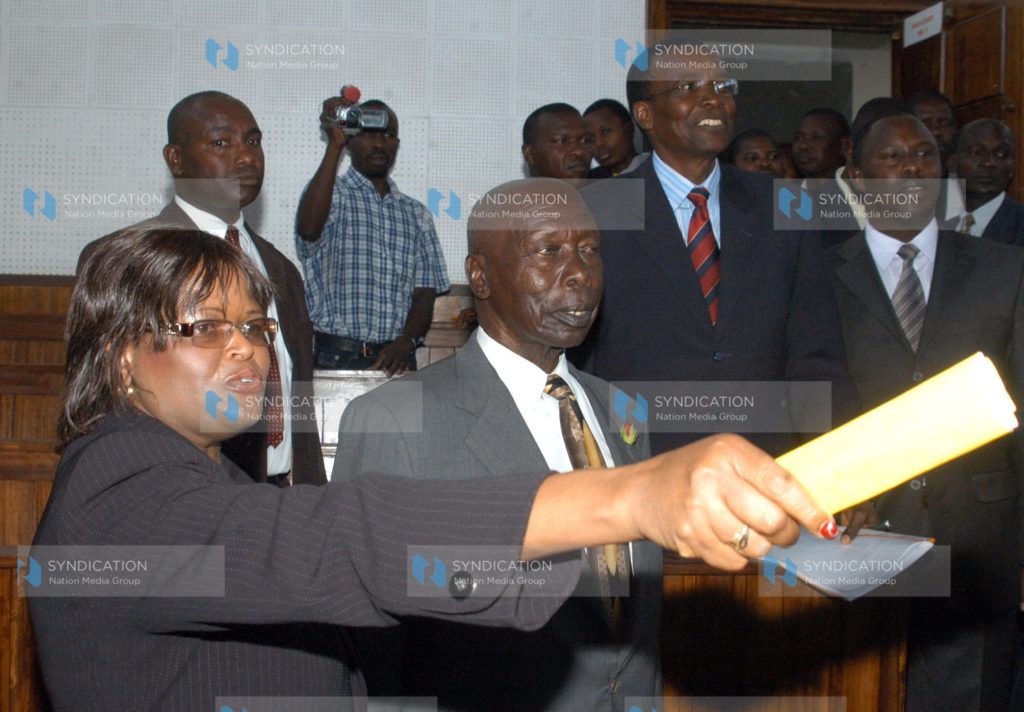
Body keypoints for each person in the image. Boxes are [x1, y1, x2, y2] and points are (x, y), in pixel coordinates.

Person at [29, 226, 835, 712]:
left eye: (254, 323)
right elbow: (336, 538)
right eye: (206, 326)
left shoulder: (209, 483)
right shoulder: (115, 485)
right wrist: (630, 495)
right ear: (122, 358)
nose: (246, 346)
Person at [334, 180, 661, 711]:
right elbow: (372, 645)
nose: (579, 272)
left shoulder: (623, 414)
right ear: (480, 276)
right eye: (548, 251)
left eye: (589, 250)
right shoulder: (393, 421)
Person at [827, 112, 1024, 712]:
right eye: (893, 157)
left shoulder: (1004, 268)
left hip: (981, 537)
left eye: (927, 157)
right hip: (858, 531)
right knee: (864, 690)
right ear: (857, 175)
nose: (913, 167)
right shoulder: (819, 273)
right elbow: (805, 389)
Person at [574, 55, 857, 457]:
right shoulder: (596, 212)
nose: (713, 100)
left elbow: (817, 356)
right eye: (690, 87)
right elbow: (579, 363)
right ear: (645, 114)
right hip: (641, 468)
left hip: (764, 465)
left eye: (722, 87)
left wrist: (842, 463)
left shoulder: (785, 205)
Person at [77, 90, 325, 486]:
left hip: (281, 496)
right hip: (176, 494)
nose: (246, 157)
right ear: (175, 159)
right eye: (221, 143)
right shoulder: (125, 260)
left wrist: (310, 492)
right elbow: (99, 405)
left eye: (254, 141)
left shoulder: (282, 269)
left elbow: (300, 401)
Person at [295, 95, 449, 376]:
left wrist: (406, 342)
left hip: (398, 360)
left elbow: (425, 293)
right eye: (368, 133)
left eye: (389, 135)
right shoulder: (332, 195)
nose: (379, 144)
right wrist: (334, 145)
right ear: (351, 140)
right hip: (335, 357)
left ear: (397, 145)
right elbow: (308, 230)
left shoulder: (417, 214)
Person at [944, 118, 1024, 245]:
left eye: (1001, 155)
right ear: (953, 163)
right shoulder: (930, 221)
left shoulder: (1020, 226)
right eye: (977, 152)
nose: (988, 163)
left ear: (1012, 168)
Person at [522, 103, 595, 181]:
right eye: (564, 141)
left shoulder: (605, 191)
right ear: (529, 154)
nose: (579, 151)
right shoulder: (512, 193)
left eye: (586, 140)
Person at [584, 99, 644, 178]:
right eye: (590, 138)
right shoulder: (587, 182)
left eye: (606, 131)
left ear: (629, 129)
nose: (598, 143)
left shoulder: (655, 170)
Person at [792, 107, 849, 180]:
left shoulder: (857, 190)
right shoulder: (786, 190)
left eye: (816, 137)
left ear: (844, 146)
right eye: (798, 137)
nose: (803, 146)